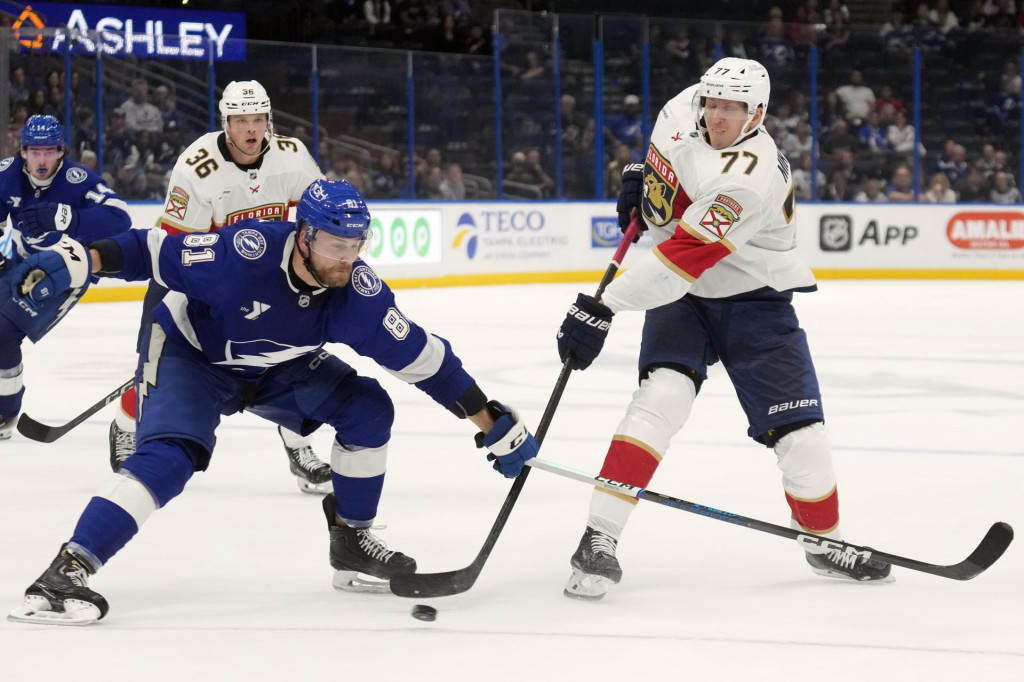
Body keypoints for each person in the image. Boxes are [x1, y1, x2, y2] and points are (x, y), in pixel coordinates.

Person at [7, 179, 540, 625]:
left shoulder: (359, 295)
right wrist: (86, 260)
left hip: (273, 368)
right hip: (193, 355)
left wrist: (490, 420)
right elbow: (151, 250)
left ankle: (351, 542)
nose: (348, 258)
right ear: (304, 235)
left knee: (369, 408)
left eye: (358, 245)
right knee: (172, 455)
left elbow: (429, 362)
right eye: (336, 245)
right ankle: (67, 570)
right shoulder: (244, 254)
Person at [554, 58, 893, 601]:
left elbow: (680, 261)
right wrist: (639, 177)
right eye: (711, 103)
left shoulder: (749, 179)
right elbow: (662, 156)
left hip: (752, 299)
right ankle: (599, 537)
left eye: (731, 109)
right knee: (658, 400)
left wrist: (603, 305)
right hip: (685, 300)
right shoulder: (682, 105)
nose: (716, 115)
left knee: (803, 439)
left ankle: (823, 542)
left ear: (756, 114)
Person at [108, 81, 334, 494]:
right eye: (241, 120)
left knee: (293, 357)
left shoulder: (291, 156)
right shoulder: (196, 166)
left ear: (269, 121)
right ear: (225, 123)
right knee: (155, 367)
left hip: (265, 276)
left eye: (258, 119)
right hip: (193, 272)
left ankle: (299, 449)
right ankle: (126, 422)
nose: (251, 129)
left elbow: (320, 210)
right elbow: (177, 252)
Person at [0, 115, 131, 437]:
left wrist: (67, 217)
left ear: (61, 151)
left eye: (49, 151)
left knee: (4, 332)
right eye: (34, 152)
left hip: (65, 270)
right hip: (20, 262)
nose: (41, 159)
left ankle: (4, 413)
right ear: (23, 151)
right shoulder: (6, 174)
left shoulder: (77, 180)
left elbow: (121, 218)